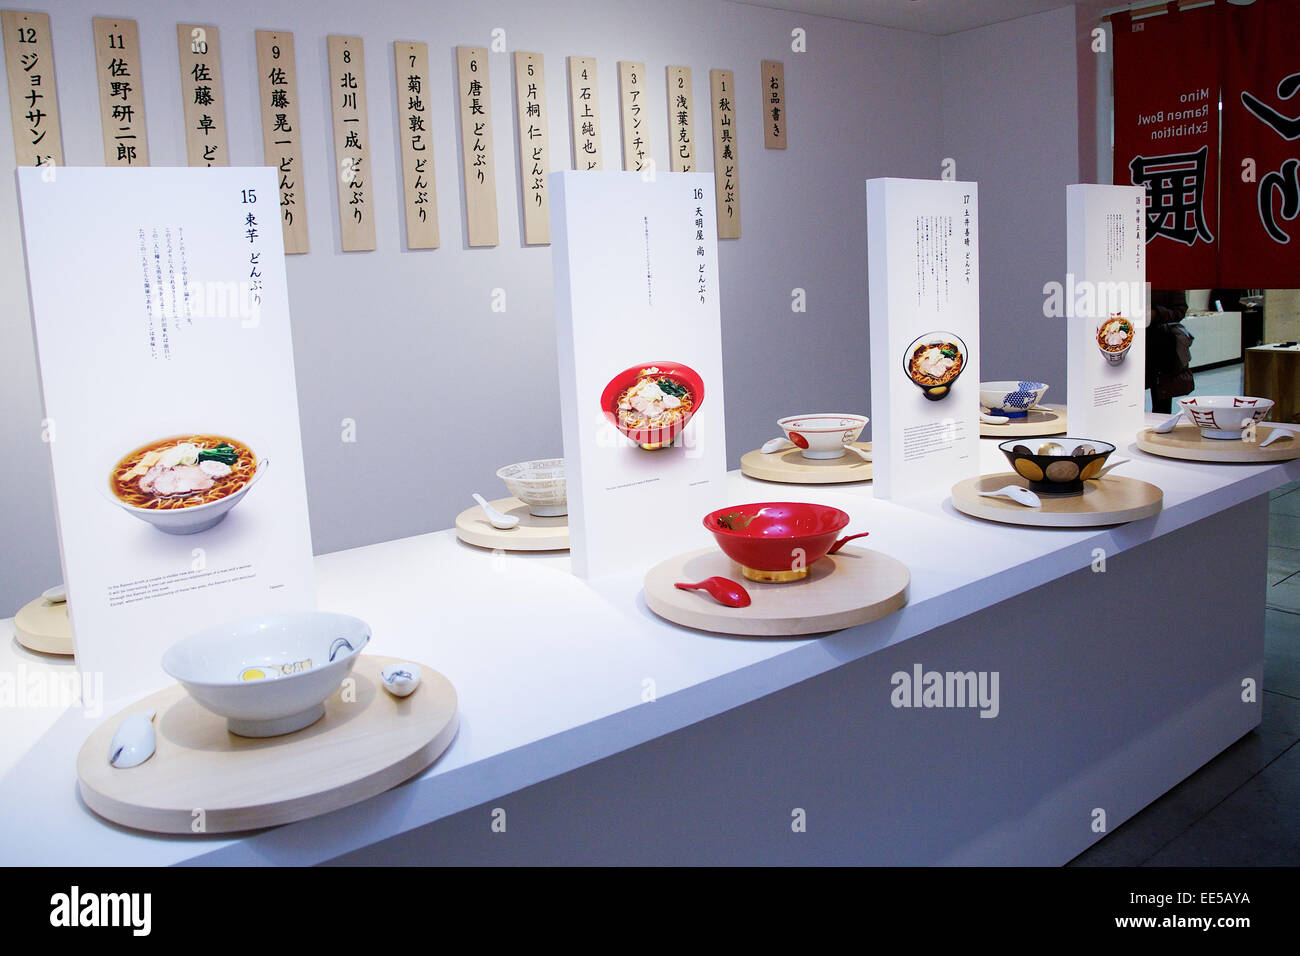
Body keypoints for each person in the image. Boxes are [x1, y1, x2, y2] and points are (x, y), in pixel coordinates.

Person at [1146, 288, 1194, 413]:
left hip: (1161, 344)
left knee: (1162, 397)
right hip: (1133, 340)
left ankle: (1161, 427)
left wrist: (1156, 313)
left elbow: (1180, 310)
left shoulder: (1170, 279)